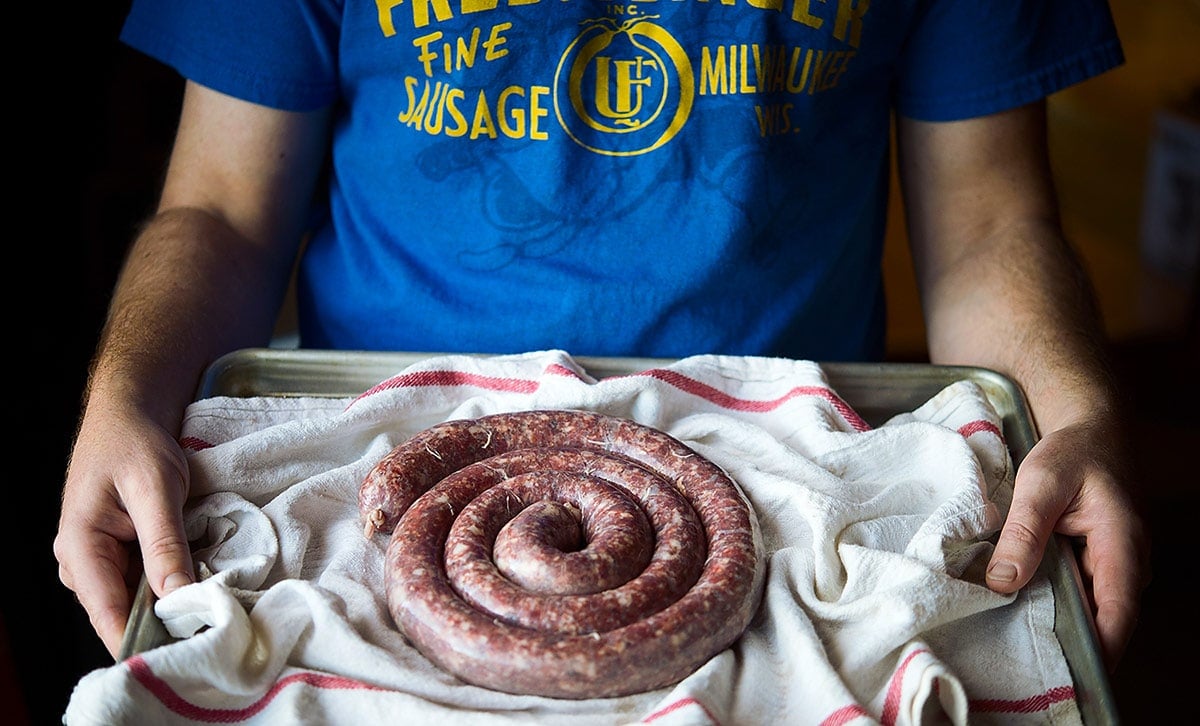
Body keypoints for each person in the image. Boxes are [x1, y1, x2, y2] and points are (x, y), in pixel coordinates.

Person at [58, 0, 1149, 675]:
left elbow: (991, 222)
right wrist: (126, 395)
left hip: (805, 479)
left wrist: (1076, 414)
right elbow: (223, 211)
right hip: (368, 479)